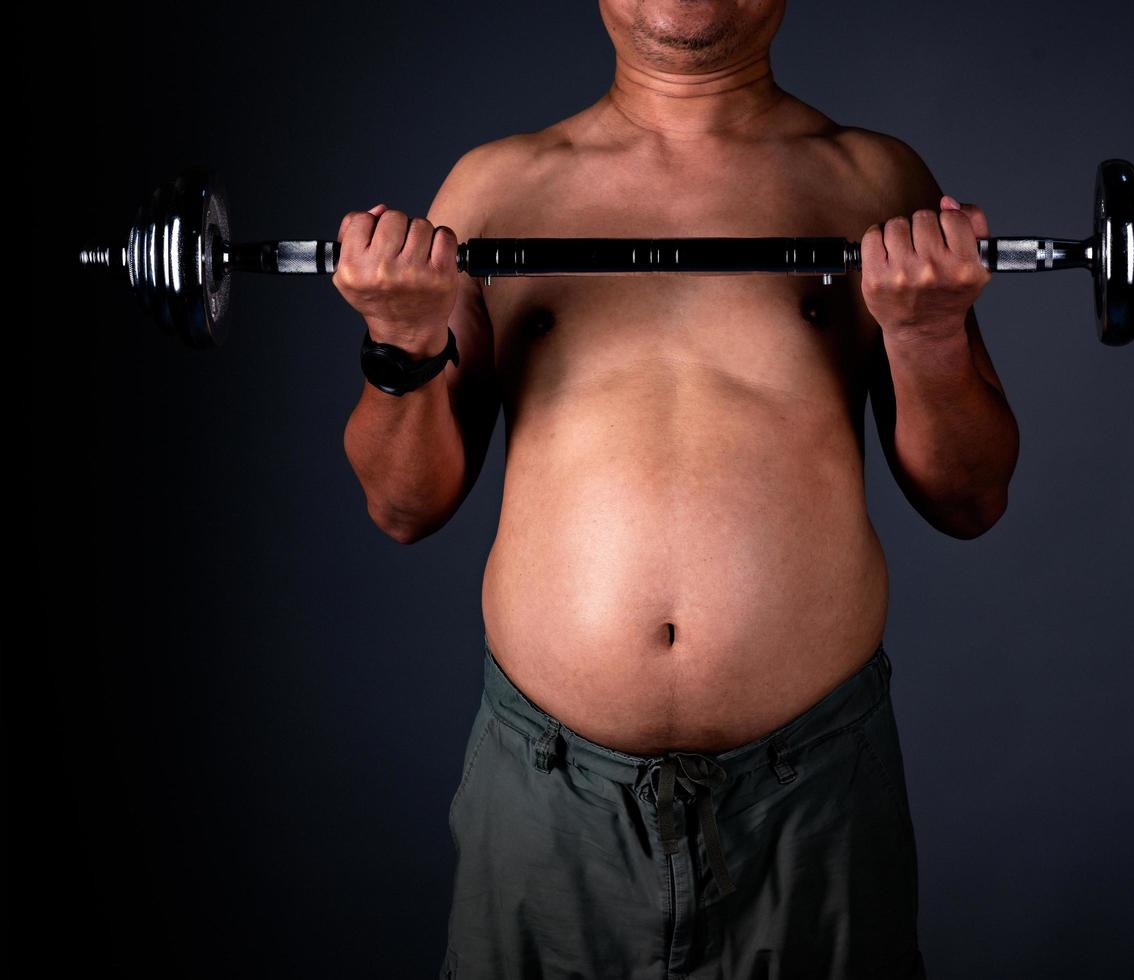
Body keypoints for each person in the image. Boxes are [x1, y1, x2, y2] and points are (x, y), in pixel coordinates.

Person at [334, 1, 1018, 976]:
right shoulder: (494, 189)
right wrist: (398, 346)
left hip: (811, 800)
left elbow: (972, 497)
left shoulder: (873, 182)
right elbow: (404, 504)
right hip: (547, 802)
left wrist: (929, 336)